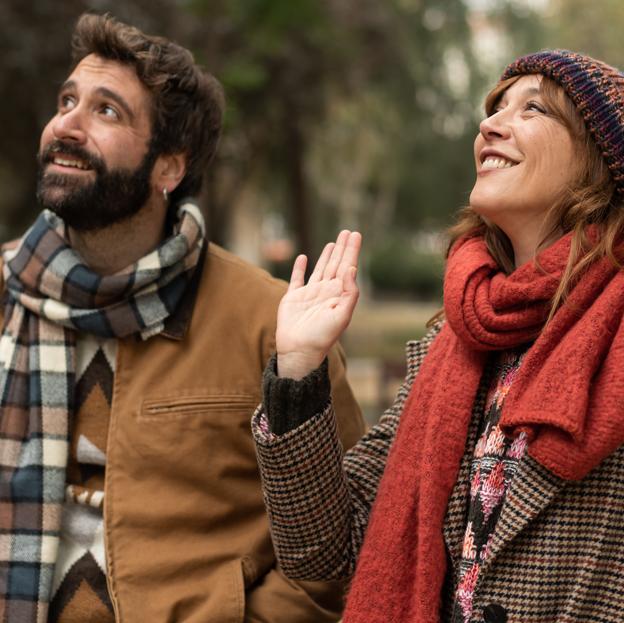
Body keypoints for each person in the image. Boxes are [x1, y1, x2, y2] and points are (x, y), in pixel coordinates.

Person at [0, 13, 365, 623]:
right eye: (67, 100)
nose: (66, 124)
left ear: (170, 166)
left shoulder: (272, 324)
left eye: (107, 111)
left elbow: (342, 537)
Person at [253, 49, 624, 623]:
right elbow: (325, 549)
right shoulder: (455, 342)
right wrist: (298, 369)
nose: (490, 124)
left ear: (603, 160)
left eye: (534, 110)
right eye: (495, 108)